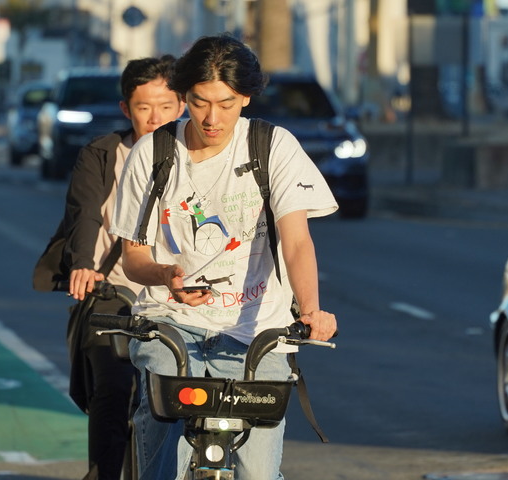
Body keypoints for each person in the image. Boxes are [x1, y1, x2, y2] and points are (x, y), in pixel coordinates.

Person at [109, 34, 338, 480]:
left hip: (258, 330)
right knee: (161, 449)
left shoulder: (274, 147)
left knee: (258, 471)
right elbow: (133, 257)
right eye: (199, 102)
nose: (212, 118)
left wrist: (310, 310)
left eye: (227, 103)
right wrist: (165, 275)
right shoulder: (152, 154)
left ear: (246, 97)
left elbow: (296, 240)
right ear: (183, 96)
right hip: (169, 322)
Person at [34, 55, 185, 480]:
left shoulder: (197, 159)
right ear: (125, 109)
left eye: (167, 107)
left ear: (183, 106)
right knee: (113, 391)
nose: (156, 118)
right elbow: (85, 214)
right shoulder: (103, 154)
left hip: (179, 298)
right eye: (143, 107)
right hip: (113, 293)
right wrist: (83, 265)